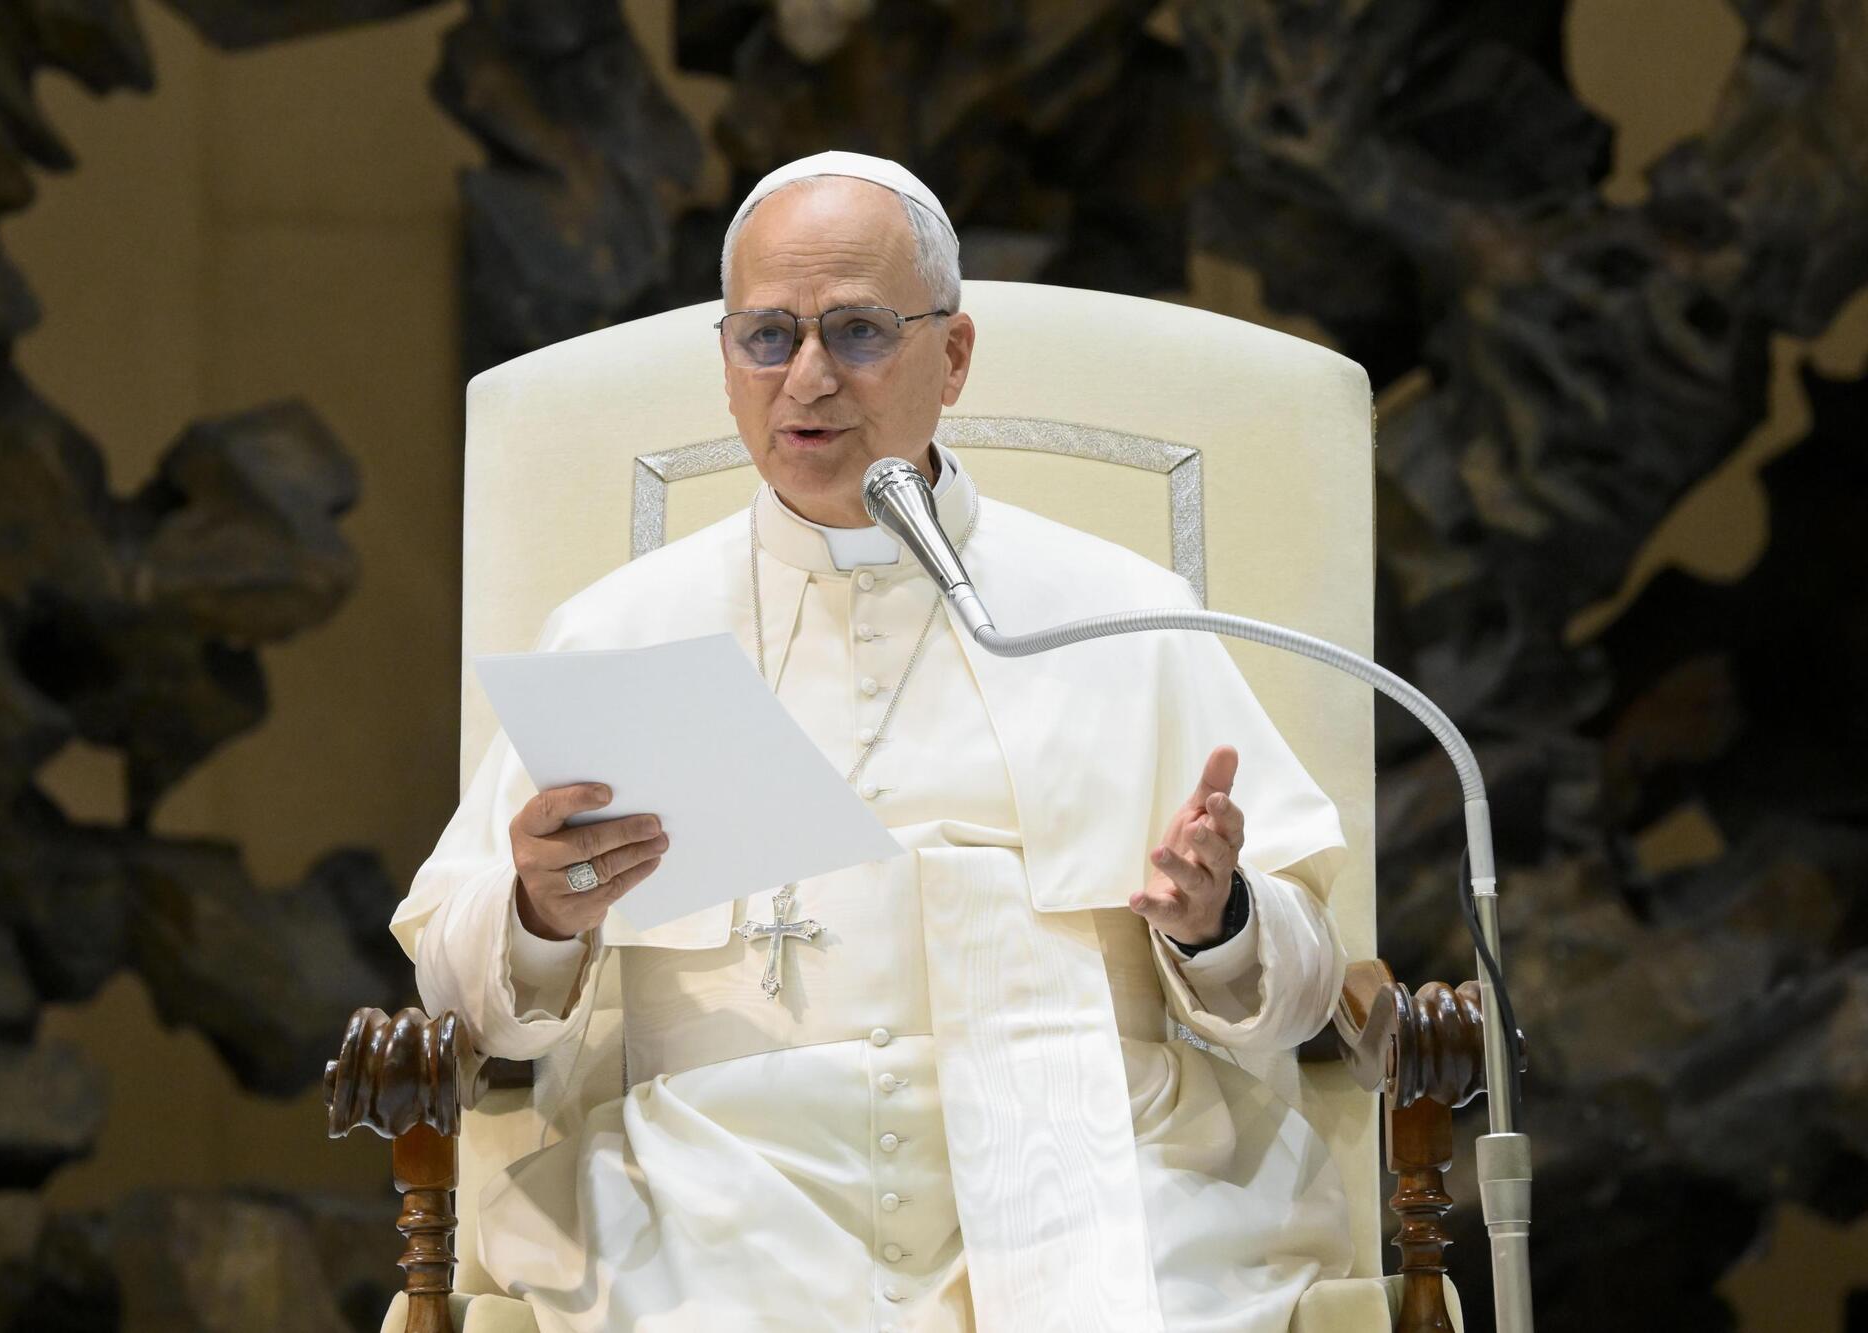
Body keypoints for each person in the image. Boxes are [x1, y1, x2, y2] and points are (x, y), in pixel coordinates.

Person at [391, 151, 1354, 1333]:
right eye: (766, 336)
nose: (807, 378)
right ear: (726, 360)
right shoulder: (617, 629)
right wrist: (541, 911)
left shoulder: (1124, 609)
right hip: (719, 1185)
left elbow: (1305, 987)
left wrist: (1224, 924)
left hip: (1091, 1156)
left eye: (855, 331)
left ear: (951, 356)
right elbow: (459, 989)